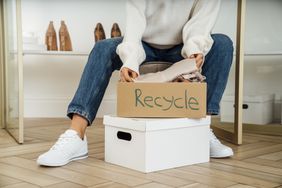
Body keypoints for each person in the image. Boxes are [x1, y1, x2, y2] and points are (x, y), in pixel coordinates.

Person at [37, 0, 234, 167]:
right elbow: (134, 26)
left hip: (183, 46)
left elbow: (200, 25)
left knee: (223, 44)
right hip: (143, 45)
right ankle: (76, 134)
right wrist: (130, 60)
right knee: (103, 47)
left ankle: (201, 129)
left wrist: (194, 49)